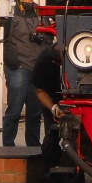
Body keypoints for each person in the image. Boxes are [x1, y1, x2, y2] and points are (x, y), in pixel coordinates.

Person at [2, 0, 44, 147]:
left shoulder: (40, 11)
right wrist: (13, 63)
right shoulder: (10, 11)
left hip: (36, 67)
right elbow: (3, 40)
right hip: (18, 67)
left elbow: (49, 34)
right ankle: (8, 146)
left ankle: (33, 147)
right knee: (14, 110)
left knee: (35, 112)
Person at [30, 34, 65, 168]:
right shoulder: (43, 60)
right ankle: (49, 177)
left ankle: (76, 181)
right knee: (51, 138)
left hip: (80, 100)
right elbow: (40, 91)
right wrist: (53, 108)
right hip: (52, 99)